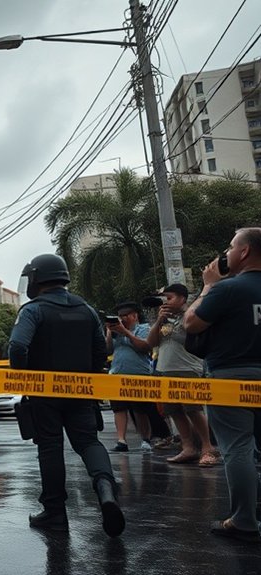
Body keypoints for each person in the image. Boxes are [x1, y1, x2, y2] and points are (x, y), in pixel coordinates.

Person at [9, 253, 124, 537]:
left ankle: (55, 513)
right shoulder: (87, 309)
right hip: (81, 391)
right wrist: (89, 380)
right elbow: (101, 350)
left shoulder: (33, 310)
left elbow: (18, 347)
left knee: (50, 447)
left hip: (45, 393)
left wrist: (25, 378)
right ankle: (106, 490)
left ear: (36, 278)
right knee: (88, 442)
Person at [184, 227, 261, 542]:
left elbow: (191, 323)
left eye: (230, 247)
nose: (226, 253)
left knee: (238, 447)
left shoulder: (228, 289)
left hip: (232, 377)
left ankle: (244, 520)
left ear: (244, 252)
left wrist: (208, 286)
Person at [145, 284, 219, 467]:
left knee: (193, 409)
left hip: (188, 369)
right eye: (164, 298)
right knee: (173, 410)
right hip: (164, 370)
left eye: (169, 298)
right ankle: (188, 447)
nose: (165, 302)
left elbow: (192, 336)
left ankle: (207, 448)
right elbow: (151, 343)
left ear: (183, 299)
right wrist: (159, 321)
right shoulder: (164, 319)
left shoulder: (191, 316)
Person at [106, 301, 157, 452]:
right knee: (119, 408)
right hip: (117, 373)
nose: (122, 319)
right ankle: (121, 440)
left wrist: (125, 332)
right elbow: (108, 350)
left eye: (125, 316)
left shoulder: (144, 329)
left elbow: (145, 347)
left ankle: (145, 439)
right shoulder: (116, 332)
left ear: (134, 316)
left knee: (140, 410)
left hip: (138, 374)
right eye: (119, 316)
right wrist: (109, 331)